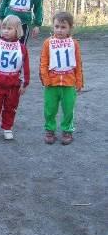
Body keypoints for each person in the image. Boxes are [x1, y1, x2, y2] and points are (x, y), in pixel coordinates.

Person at [40, 11, 83, 145]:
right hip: (51, 84)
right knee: (50, 109)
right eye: (57, 26)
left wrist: (79, 81)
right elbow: (44, 62)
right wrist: (46, 79)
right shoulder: (48, 43)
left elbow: (78, 62)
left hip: (69, 84)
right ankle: (50, 130)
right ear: (53, 27)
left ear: (70, 28)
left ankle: (67, 130)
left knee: (68, 109)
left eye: (63, 27)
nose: (59, 30)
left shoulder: (74, 43)